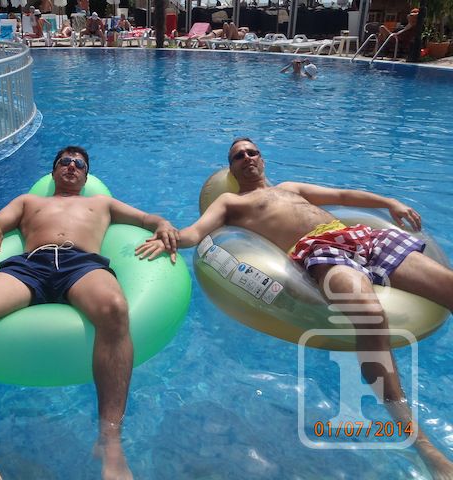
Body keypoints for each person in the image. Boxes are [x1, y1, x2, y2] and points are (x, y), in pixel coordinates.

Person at [136, 137, 453, 479]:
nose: (247, 157)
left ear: (262, 159)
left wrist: (390, 202)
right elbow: (195, 233)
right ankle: (421, 443)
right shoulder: (231, 202)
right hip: (321, 252)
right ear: (231, 169)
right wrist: (168, 235)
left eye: (252, 152)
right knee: (369, 314)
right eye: (238, 156)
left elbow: (342, 196)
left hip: (365, 238)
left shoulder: (290, 187)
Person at [0, 146, 178, 480]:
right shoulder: (29, 201)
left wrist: (163, 224)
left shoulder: (102, 203)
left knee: (114, 308)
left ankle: (110, 440)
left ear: (86, 176)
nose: (71, 166)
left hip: (81, 264)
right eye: (64, 162)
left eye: (79, 164)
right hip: (31, 264)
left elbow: (146, 219)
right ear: (53, 171)